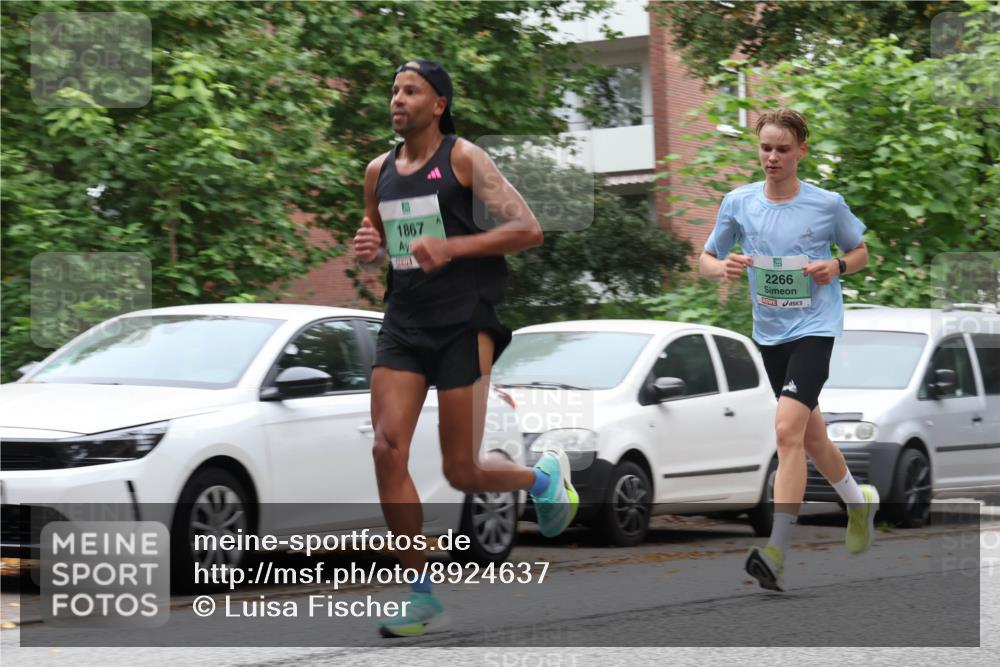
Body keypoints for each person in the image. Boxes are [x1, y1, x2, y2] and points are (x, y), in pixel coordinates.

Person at [352, 60, 578, 636]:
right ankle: (418, 590)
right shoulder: (377, 172)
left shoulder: (463, 158)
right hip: (405, 323)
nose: (397, 99)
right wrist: (370, 246)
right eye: (394, 90)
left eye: (411, 91)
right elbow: (380, 242)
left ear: (439, 104)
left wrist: (451, 248)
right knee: (385, 447)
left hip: (462, 322)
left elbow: (528, 230)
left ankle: (543, 479)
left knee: (462, 471)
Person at [699, 108, 879, 591]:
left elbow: (860, 251)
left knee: (785, 432)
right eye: (765, 148)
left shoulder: (826, 204)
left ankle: (776, 549)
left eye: (782, 149)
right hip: (769, 332)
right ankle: (858, 501)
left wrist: (837, 267)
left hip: (816, 328)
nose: (772, 157)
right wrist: (723, 271)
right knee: (811, 438)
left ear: (801, 150)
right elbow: (706, 259)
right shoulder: (738, 202)